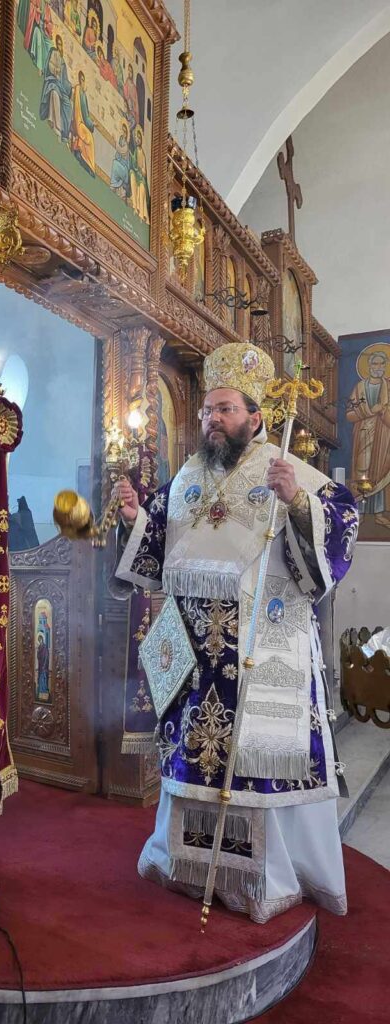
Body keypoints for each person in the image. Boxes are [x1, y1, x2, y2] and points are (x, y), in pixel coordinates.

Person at [111, 342, 357, 924]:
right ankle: (186, 864)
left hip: (258, 646)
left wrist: (296, 502)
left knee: (253, 764)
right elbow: (159, 546)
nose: (212, 420)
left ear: (255, 416)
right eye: (207, 411)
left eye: (224, 409)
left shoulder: (285, 468)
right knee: (192, 758)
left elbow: (340, 525)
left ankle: (265, 877)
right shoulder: (189, 476)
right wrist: (136, 519)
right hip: (194, 654)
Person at [346, 347, 390, 525]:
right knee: (362, 470)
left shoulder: (389, 387)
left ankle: (379, 513)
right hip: (363, 434)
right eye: (375, 364)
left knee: (380, 469)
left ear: (385, 366)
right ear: (369, 366)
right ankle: (360, 511)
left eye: (382, 364)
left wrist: (383, 411)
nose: (378, 367)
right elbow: (349, 414)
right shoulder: (359, 388)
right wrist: (371, 411)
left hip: (383, 435)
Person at [40, 35, 72, 141]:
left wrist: (70, 87)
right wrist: (55, 70)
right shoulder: (54, 53)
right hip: (52, 81)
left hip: (61, 86)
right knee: (54, 93)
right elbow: (49, 66)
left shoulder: (63, 61)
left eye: (61, 44)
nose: (59, 46)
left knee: (68, 105)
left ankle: (65, 133)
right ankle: (57, 126)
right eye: (58, 44)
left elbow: (65, 79)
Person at [70, 70, 95, 176]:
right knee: (90, 138)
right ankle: (89, 164)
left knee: (86, 134)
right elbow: (85, 116)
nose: (84, 83)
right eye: (83, 80)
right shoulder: (82, 94)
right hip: (79, 123)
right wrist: (92, 125)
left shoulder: (77, 89)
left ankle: (78, 150)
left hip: (76, 121)